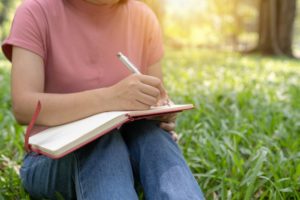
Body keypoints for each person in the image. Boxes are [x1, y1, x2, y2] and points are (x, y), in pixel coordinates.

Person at [2, 0, 205, 199]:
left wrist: (161, 114)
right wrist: (110, 98)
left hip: (131, 148)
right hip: (52, 159)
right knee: (101, 140)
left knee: (153, 137)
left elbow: (157, 97)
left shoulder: (143, 17)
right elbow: (24, 107)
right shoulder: (35, 11)